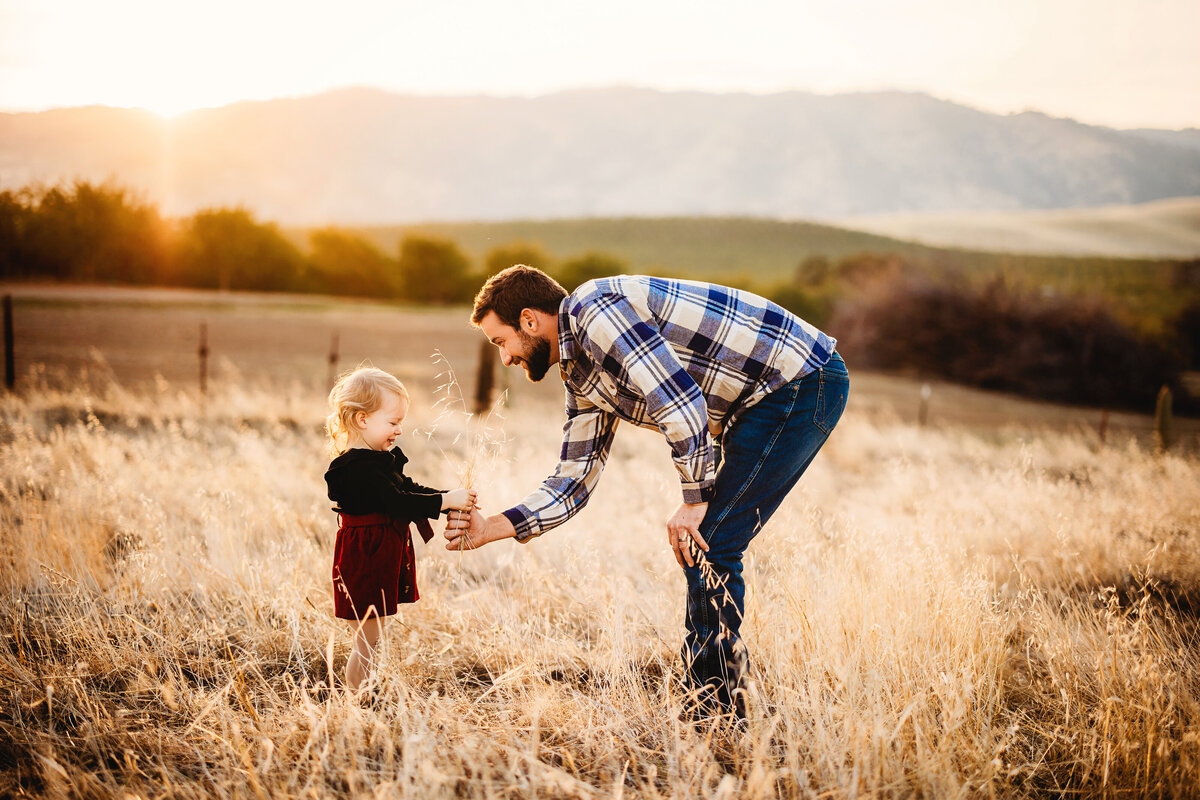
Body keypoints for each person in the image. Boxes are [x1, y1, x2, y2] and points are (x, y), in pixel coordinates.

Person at [443, 266, 849, 720]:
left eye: (502, 341)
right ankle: (712, 695)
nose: (506, 359)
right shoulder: (580, 373)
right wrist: (491, 528)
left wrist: (694, 501)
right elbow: (573, 478)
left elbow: (680, 404)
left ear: (530, 321)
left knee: (710, 540)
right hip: (757, 402)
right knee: (710, 541)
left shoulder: (593, 309)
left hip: (798, 382)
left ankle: (716, 708)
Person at [325, 366, 475, 690]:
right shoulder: (356, 467)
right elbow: (399, 502)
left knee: (371, 636)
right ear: (362, 419)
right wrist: (446, 501)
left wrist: (445, 497)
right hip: (366, 556)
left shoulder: (377, 460)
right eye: (393, 422)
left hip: (380, 551)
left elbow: (409, 489)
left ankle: (366, 692)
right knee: (366, 640)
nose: (399, 430)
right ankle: (357, 700)